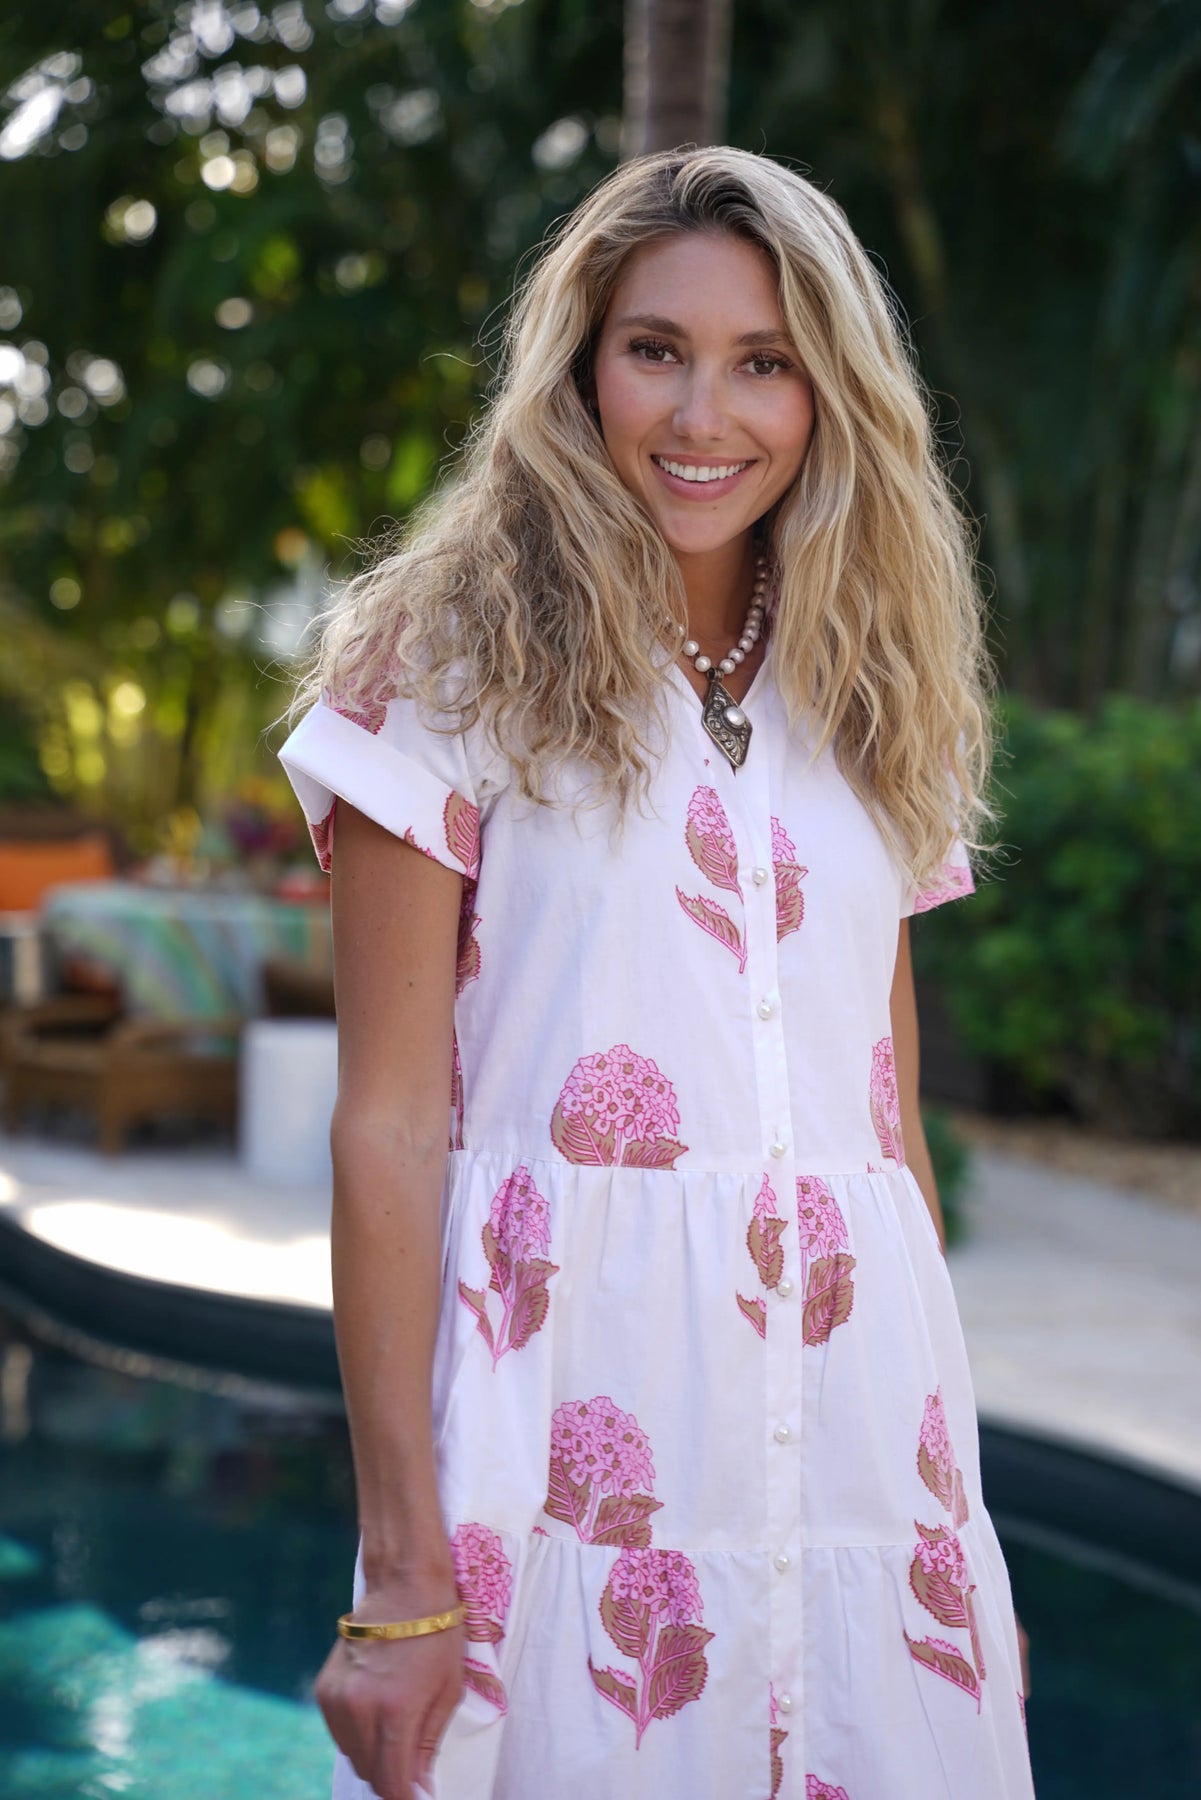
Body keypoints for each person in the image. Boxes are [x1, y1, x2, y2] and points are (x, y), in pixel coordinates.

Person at [278, 146, 1035, 1800]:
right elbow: (389, 1128)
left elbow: (883, 1133)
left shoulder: (877, 683)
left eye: (764, 363)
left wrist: (951, 1529)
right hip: (565, 1446)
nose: (704, 416)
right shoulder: (443, 664)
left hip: (860, 1459)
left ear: (830, 394)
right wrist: (402, 1570)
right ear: (578, 366)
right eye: (655, 351)